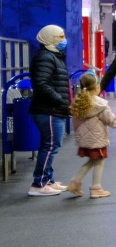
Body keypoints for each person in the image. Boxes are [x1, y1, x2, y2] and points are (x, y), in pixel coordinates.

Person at [66, 71, 116, 198]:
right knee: (99, 162)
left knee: (92, 160)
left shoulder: (78, 102)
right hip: (97, 139)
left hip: (84, 140)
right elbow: (113, 122)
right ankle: (96, 188)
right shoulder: (101, 105)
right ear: (97, 87)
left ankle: (75, 183)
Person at [28, 24, 70, 196]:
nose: (64, 40)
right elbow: (41, 85)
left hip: (52, 109)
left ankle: (48, 180)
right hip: (49, 110)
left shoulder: (53, 56)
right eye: (60, 37)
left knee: (52, 145)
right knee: (50, 145)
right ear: (50, 39)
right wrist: (60, 101)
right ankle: (39, 184)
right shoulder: (46, 57)